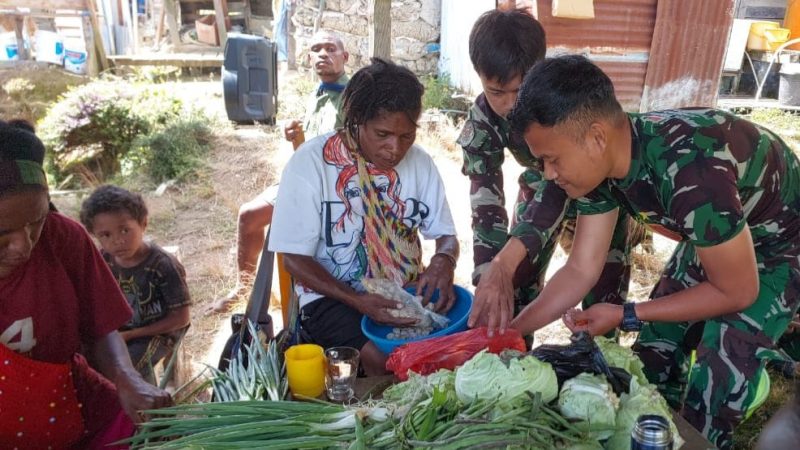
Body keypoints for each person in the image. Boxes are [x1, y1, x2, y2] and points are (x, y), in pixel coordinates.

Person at [507, 55, 800, 449]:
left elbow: (738, 291)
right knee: (652, 356)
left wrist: (628, 313)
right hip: (717, 234)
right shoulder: (603, 163)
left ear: (595, 137)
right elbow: (580, 269)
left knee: (717, 384)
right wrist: (510, 334)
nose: (547, 174)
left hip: (779, 244)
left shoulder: (691, 173)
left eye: (551, 159)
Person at [268, 58, 459, 375]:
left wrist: (444, 261)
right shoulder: (310, 165)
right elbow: (294, 260)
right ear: (356, 121)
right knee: (388, 366)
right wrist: (356, 300)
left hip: (403, 291)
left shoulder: (420, 163)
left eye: (406, 136)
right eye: (382, 134)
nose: (394, 149)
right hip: (330, 298)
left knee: (451, 354)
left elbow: (446, 235)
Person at [460, 9, 634, 337]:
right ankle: (511, 349)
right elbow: (485, 204)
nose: (511, 104)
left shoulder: (566, 100)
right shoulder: (482, 121)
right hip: (542, 183)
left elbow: (560, 182)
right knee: (513, 277)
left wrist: (507, 259)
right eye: (497, 92)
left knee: (603, 287)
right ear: (479, 77)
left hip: (599, 191)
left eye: (520, 89)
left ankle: (598, 363)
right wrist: (490, 273)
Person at [0, 120, 171, 449]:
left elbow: (101, 327)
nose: (24, 245)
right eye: (2, 236)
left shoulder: (62, 237)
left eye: (35, 222)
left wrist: (126, 377)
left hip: (78, 411)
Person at [209, 29, 350, 313]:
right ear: (309, 58)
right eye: (316, 49)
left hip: (333, 188)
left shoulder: (352, 98)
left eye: (331, 49)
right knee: (249, 216)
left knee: (254, 217)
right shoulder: (318, 93)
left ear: (345, 57)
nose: (323, 54)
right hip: (305, 180)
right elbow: (307, 150)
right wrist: (295, 137)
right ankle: (245, 288)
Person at [80, 185, 192, 384]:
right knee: (87, 362)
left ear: (143, 224)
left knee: (131, 368)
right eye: (105, 235)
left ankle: (151, 409)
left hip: (160, 331)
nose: (117, 241)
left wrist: (131, 335)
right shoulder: (103, 260)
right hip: (123, 330)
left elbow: (181, 318)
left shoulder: (162, 265)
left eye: (124, 230)